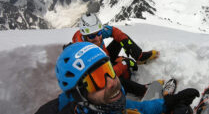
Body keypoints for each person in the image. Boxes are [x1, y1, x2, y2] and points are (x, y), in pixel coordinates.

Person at [35, 42, 200, 114]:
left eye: (108, 71)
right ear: (78, 95)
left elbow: (139, 108)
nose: (112, 82)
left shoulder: (104, 105)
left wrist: (167, 103)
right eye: (97, 80)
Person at [71, 13, 159, 97]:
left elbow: (114, 31)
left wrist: (130, 55)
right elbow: (104, 76)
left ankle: (139, 56)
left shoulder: (94, 32)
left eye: (99, 33)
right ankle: (143, 90)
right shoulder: (83, 51)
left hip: (105, 58)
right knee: (113, 79)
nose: (97, 39)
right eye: (92, 37)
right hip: (98, 77)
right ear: (85, 36)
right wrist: (124, 64)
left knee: (120, 39)